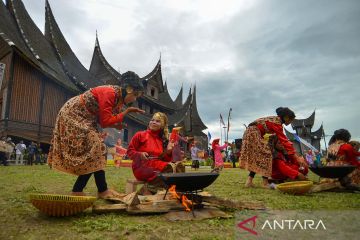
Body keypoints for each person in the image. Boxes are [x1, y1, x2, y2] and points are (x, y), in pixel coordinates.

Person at [48, 71, 145, 198]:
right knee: (97, 147)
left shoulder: (119, 99)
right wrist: (126, 112)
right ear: (129, 89)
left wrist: (116, 125)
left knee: (97, 149)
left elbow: (102, 118)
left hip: (88, 118)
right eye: (136, 95)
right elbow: (105, 122)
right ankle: (93, 190)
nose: (135, 99)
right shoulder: (110, 93)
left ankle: (98, 190)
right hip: (73, 114)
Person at [239, 107, 306, 187]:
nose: (291, 122)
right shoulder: (277, 123)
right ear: (286, 117)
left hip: (250, 132)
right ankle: (265, 183)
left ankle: (249, 181)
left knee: (260, 157)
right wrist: (296, 156)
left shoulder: (275, 121)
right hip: (253, 133)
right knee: (267, 155)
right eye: (291, 120)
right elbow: (284, 141)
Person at [127, 112, 184, 194]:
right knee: (168, 168)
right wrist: (140, 155)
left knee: (179, 167)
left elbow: (163, 159)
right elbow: (129, 151)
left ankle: (175, 192)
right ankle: (150, 189)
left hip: (157, 166)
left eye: (157, 121)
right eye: (152, 120)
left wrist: (168, 151)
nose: (153, 122)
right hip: (141, 166)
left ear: (162, 126)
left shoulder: (163, 140)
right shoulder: (140, 135)